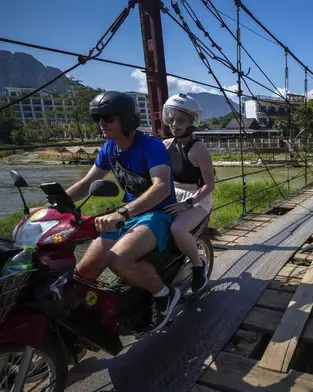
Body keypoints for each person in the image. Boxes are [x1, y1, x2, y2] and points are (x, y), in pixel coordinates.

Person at [65, 91, 179, 333]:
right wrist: (53, 205)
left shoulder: (152, 146)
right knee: (82, 273)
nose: (102, 124)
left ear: (126, 119)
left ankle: (163, 293)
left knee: (118, 259)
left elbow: (162, 187)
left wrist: (123, 214)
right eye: (99, 118)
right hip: (128, 214)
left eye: (108, 118)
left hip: (156, 213)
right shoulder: (109, 149)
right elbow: (86, 183)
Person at [161, 94, 215, 294]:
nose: (175, 124)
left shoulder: (198, 149)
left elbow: (209, 185)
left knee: (178, 229)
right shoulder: (166, 145)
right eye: (171, 119)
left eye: (181, 121)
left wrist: (188, 203)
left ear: (191, 122)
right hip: (172, 194)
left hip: (197, 199)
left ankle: (197, 266)